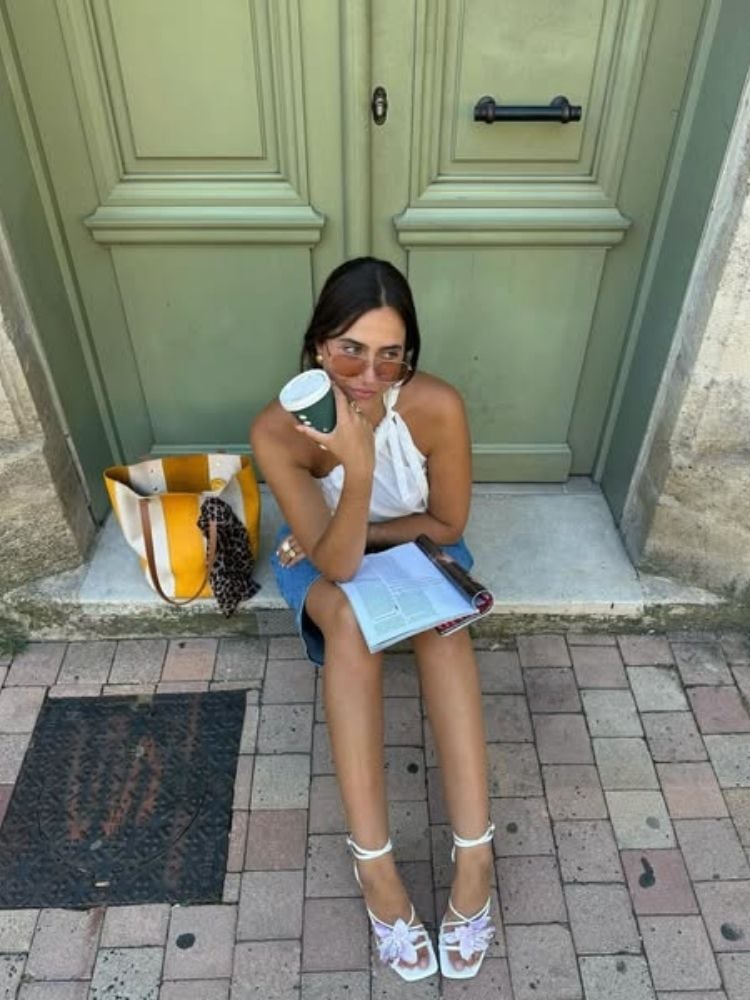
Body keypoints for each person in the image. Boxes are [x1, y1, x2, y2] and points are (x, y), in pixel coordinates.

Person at [250, 257, 495, 982]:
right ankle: (375, 868)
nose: (368, 374)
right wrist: (354, 470)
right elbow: (338, 568)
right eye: (350, 349)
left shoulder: (436, 406)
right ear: (318, 344)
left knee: (444, 624)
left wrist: (367, 527)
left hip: (415, 540)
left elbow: (447, 521)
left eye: (391, 355)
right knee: (352, 626)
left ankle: (475, 856)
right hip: (326, 562)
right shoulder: (277, 433)